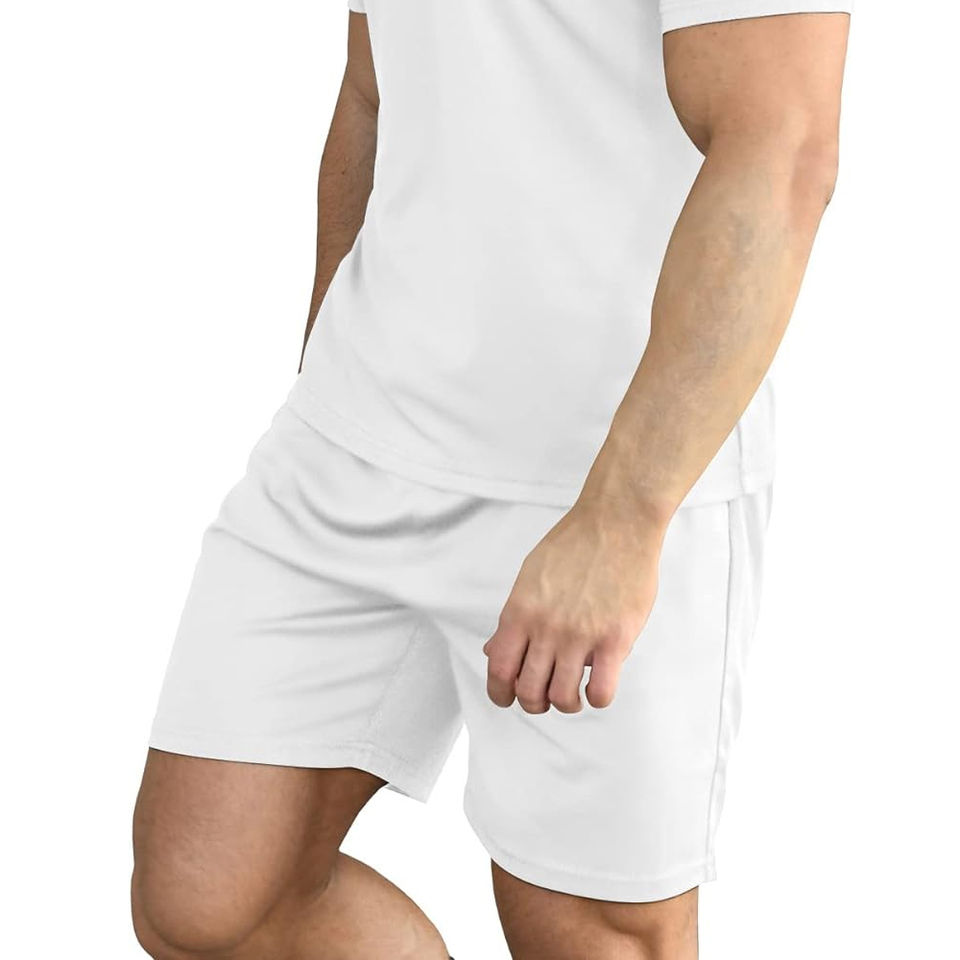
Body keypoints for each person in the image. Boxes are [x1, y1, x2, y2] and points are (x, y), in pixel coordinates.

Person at [131, 2, 851, 958]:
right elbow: (373, 86)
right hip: (356, 434)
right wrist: (323, 370)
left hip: (605, 468)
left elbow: (784, 146)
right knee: (211, 900)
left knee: (590, 935)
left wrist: (621, 519)